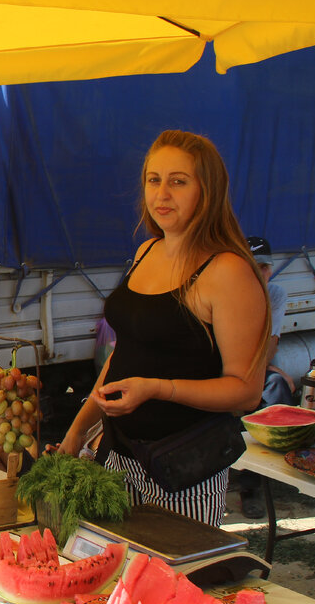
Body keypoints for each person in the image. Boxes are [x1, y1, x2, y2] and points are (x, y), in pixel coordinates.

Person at [58, 130, 269, 526]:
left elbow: (245, 390)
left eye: (178, 181)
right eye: (154, 180)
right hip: (117, 459)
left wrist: (157, 388)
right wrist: (77, 430)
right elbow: (124, 355)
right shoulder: (146, 251)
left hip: (183, 471)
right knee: (114, 583)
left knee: (173, 585)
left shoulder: (228, 272)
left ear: (208, 191)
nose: (162, 194)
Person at [236, 236, 293, 518]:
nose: (260, 274)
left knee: (275, 392)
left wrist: (269, 369)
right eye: (251, 267)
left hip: (256, 365)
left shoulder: (275, 293)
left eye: (264, 267)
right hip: (226, 367)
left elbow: (270, 345)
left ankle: (254, 486)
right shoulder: (224, 292)